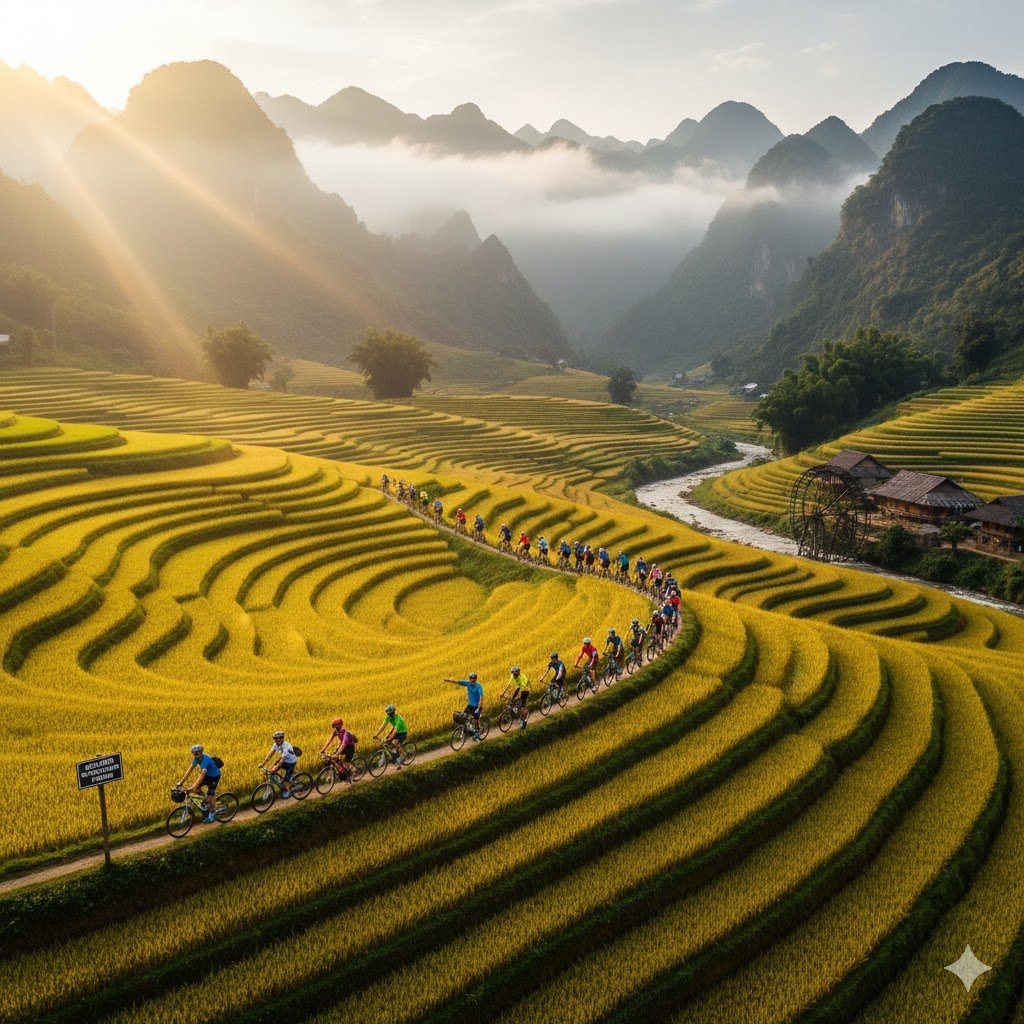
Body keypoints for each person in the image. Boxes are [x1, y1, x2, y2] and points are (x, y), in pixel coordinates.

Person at [179, 743, 220, 822]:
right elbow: (189, 770)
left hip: (215, 776)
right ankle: (206, 802)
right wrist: (181, 782)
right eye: (194, 753)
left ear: (201, 752)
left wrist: (191, 787)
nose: (196, 754)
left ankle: (212, 814)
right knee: (196, 790)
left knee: (210, 794)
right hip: (208, 776)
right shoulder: (196, 759)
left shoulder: (205, 760)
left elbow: (201, 776)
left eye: (198, 753)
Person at [258, 730, 298, 798]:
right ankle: (280, 782)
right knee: (271, 771)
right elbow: (270, 755)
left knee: (285, 781)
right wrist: (263, 764)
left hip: (291, 762)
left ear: (283, 738)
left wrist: (276, 767)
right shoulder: (275, 745)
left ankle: (288, 792)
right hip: (284, 760)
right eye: (276, 738)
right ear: (274, 739)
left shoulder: (287, 747)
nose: (278, 739)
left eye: (280, 737)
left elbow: (282, 760)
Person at [445, 672, 484, 738]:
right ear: (469, 679)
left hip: (477, 706)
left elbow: (481, 696)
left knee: (476, 720)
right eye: (471, 678)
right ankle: (468, 730)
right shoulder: (467, 683)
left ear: (476, 679)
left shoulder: (478, 686)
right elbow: (458, 682)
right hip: (470, 705)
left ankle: (477, 731)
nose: (472, 680)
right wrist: (449, 680)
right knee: (463, 717)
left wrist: (479, 706)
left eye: (474, 678)